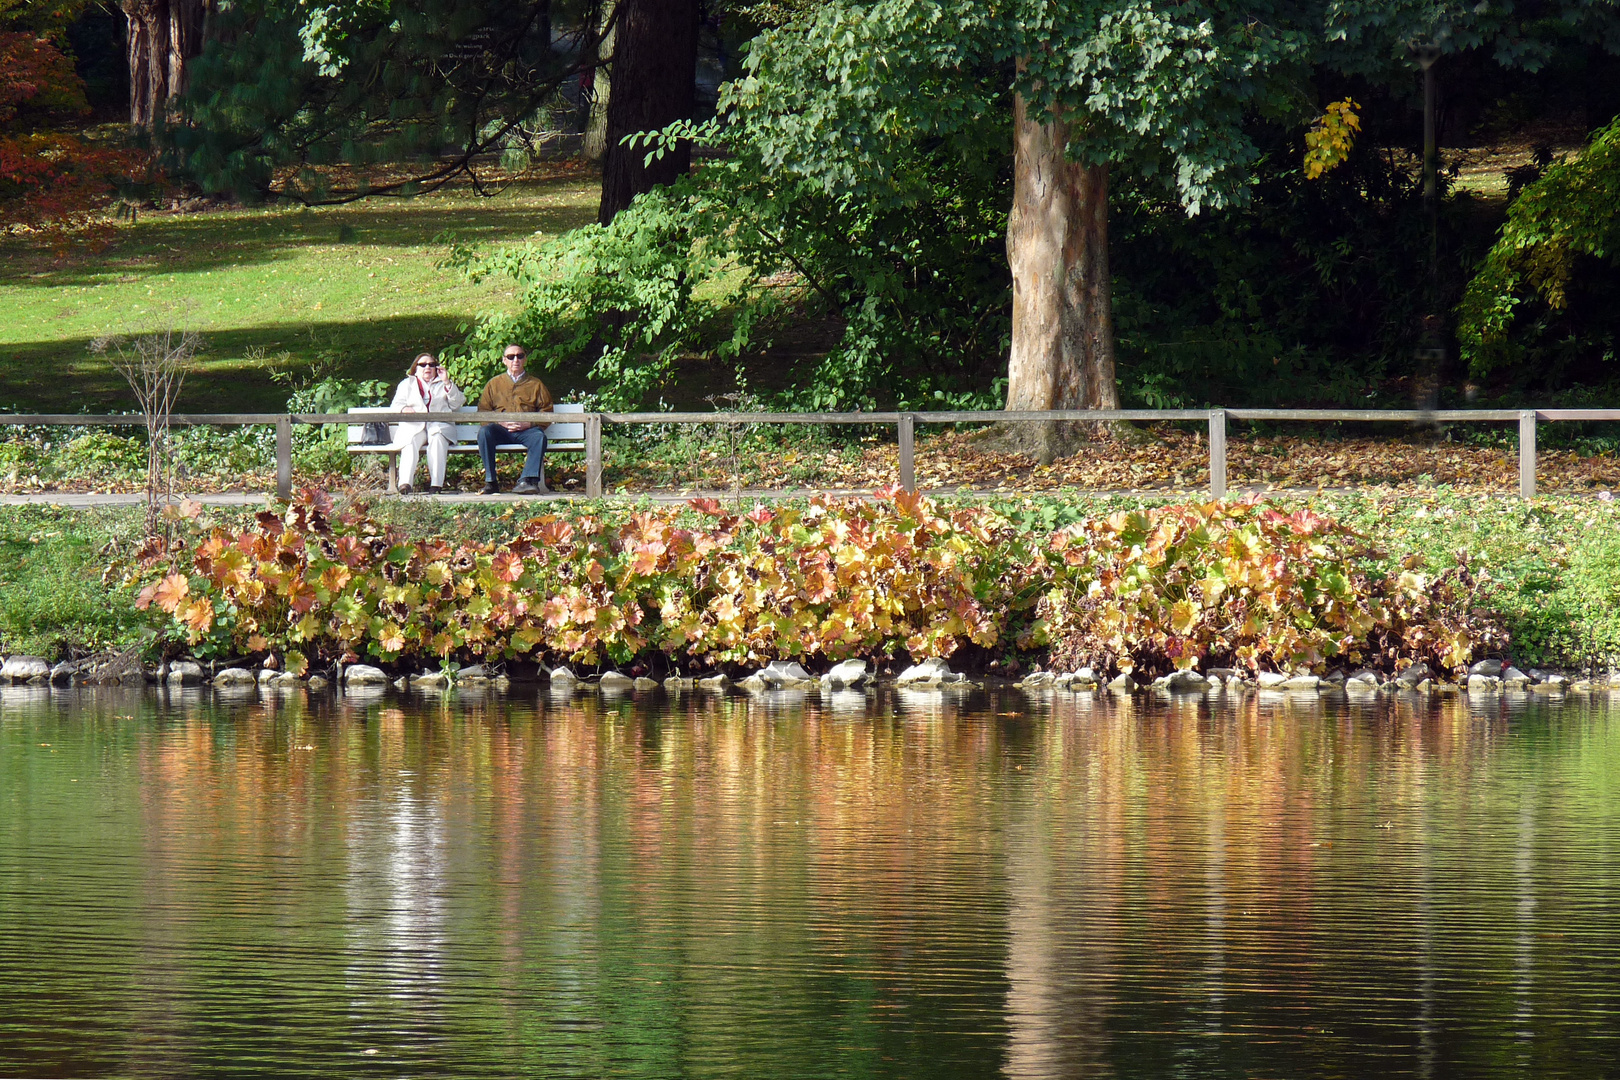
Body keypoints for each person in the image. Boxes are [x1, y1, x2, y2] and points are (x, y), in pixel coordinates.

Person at [476, 344, 553, 495]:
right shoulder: (494, 384)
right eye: (511, 357)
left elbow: (547, 411)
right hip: (500, 430)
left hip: (527, 430)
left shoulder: (536, 384)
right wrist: (499, 422)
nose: (515, 360)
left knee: (539, 437)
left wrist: (529, 424)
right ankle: (491, 482)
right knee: (484, 432)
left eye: (520, 356)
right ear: (504, 360)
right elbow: (483, 411)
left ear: (525, 359)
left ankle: (527, 481)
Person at [389, 352, 465, 494]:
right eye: (423, 365)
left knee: (437, 440)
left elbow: (457, 404)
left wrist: (447, 383)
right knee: (410, 442)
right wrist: (404, 408)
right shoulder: (406, 384)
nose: (427, 367)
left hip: (438, 425)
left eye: (431, 364)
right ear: (416, 368)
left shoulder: (444, 383)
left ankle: (436, 485)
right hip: (414, 426)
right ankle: (405, 484)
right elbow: (395, 405)